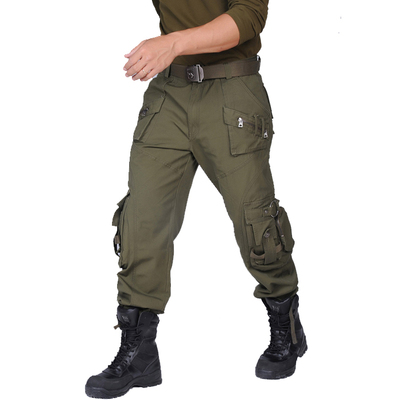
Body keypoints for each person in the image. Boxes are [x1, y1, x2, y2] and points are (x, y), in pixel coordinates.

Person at [85, 1, 307, 398]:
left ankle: (285, 326)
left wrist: (172, 43)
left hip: (231, 90)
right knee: (142, 221)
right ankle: (139, 354)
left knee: (254, 220)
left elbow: (248, 17)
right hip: (169, 92)